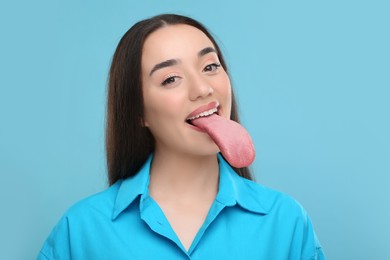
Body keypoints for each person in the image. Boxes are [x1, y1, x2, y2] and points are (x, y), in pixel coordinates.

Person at [38, 14, 325, 259]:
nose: (202, 88)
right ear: (139, 112)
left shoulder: (285, 221)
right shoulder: (81, 230)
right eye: (170, 79)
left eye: (210, 66)